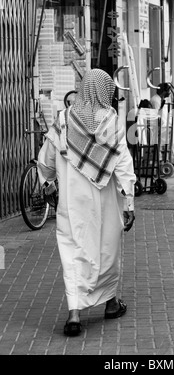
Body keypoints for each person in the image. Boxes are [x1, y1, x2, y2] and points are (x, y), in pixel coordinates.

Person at [37, 69, 136, 337]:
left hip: (71, 203)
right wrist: (128, 202)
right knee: (106, 250)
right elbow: (124, 166)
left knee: (73, 251)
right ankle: (111, 303)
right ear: (104, 92)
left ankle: (74, 314)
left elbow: (45, 159)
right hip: (105, 202)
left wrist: (47, 182)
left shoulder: (63, 120)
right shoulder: (111, 122)